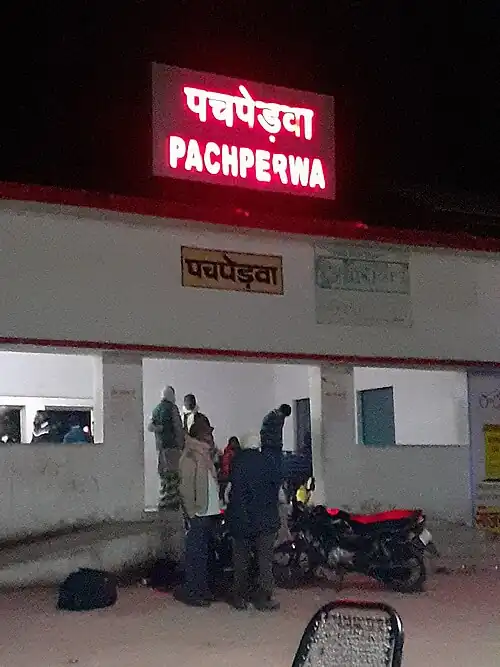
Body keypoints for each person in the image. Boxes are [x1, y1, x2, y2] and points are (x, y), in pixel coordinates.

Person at [225, 434, 281, 611]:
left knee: (241, 560)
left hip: (242, 519)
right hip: (266, 519)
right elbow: (277, 490)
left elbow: (230, 492)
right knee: (265, 560)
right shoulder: (268, 461)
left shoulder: (237, 463)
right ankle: (263, 598)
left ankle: (240, 597)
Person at [175, 423, 220, 607]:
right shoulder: (190, 457)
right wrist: (191, 512)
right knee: (196, 556)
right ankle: (193, 591)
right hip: (199, 514)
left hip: (209, 512)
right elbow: (185, 488)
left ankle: (203, 590)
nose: (211, 437)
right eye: (208, 433)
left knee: (205, 555)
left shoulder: (205, 456)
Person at [148, 386, 184, 511]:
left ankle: (163, 500)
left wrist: (159, 430)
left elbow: (150, 426)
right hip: (172, 446)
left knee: (164, 473)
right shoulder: (172, 408)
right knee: (174, 473)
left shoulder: (156, 409)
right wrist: (181, 445)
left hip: (160, 447)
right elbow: (178, 427)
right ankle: (172, 501)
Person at [182, 393, 217, 463]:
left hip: (200, 453)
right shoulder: (180, 419)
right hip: (186, 453)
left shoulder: (202, 419)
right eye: (188, 401)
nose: (190, 403)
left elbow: (208, 437)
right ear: (184, 403)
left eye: (191, 401)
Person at [260, 404, 292, 477]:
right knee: (270, 468)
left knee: (278, 468)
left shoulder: (280, 417)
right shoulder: (269, 417)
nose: (283, 418)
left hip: (276, 446)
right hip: (269, 446)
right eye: (283, 415)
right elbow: (263, 432)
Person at [219, 436, 241, 501]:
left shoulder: (227, 452)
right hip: (231, 475)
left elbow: (224, 463)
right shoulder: (237, 452)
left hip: (228, 475)